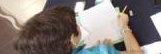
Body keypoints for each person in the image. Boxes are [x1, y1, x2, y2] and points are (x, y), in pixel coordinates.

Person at [14, 6, 142, 54]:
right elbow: (136, 53)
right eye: (76, 24)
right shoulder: (101, 51)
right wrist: (124, 26)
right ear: (72, 39)